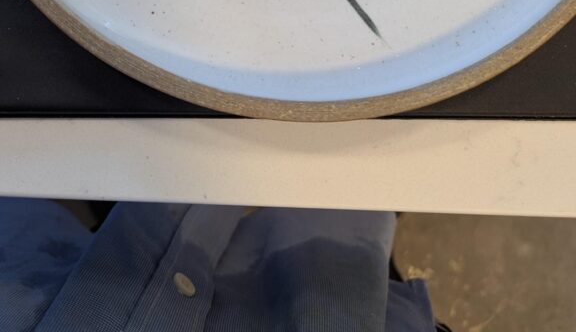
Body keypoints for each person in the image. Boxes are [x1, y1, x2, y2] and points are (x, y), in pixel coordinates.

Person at [0, 200, 448, 330]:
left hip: (40, 285)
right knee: (341, 213)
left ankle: (120, 200)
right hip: (329, 296)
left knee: (119, 213)